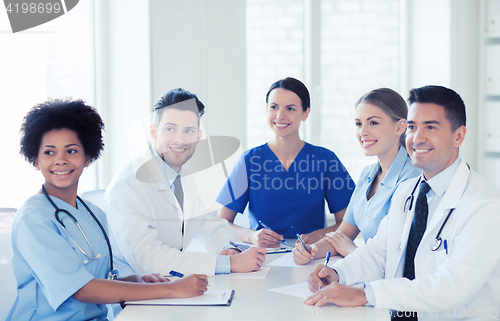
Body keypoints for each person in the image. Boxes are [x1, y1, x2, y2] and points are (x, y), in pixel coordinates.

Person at [304, 86, 500, 320]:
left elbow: (452, 287)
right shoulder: (408, 191)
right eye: (412, 127)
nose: (417, 138)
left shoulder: (485, 204)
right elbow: (379, 252)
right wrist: (337, 273)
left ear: (458, 136)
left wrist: (366, 294)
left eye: (430, 127)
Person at [7, 99, 208, 321]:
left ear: (87, 158)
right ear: (35, 160)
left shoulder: (92, 213)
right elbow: (82, 289)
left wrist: (133, 279)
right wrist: (173, 289)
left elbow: (98, 279)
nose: (60, 160)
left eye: (71, 151)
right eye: (49, 152)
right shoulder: (33, 218)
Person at [104, 88, 266, 278]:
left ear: (198, 136)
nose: (180, 139)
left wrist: (229, 249)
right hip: (134, 300)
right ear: (154, 132)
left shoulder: (183, 180)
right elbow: (148, 260)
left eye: (188, 131)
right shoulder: (129, 185)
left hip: (171, 288)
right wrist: (228, 264)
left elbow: (210, 225)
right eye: (170, 129)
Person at [217, 77, 355, 248]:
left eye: (290, 108)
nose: (280, 116)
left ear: (305, 113)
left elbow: (349, 223)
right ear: (266, 110)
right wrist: (251, 236)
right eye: (274, 107)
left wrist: (318, 235)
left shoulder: (325, 160)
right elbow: (221, 223)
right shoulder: (250, 161)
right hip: (260, 258)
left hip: (312, 256)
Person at [293, 88, 420, 264]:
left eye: (373, 123)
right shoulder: (368, 174)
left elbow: (400, 258)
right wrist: (311, 251)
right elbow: (343, 235)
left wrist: (352, 251)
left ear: (400, 127)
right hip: (368, 272)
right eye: (359, 124)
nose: (363, 132)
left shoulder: (413, 179)